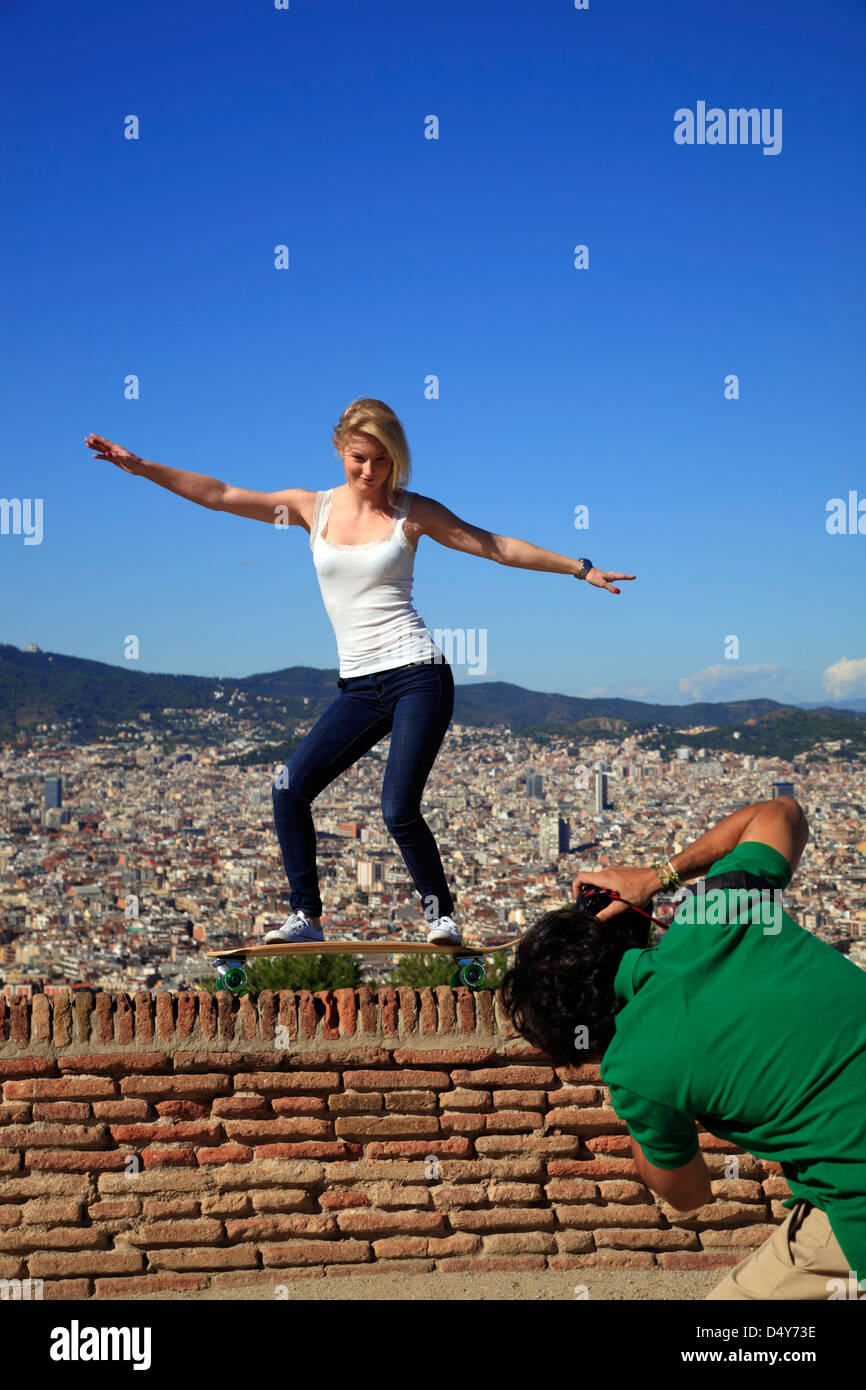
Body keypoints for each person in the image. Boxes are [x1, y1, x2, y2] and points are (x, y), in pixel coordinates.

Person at [85, 397, 635, 945]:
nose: (369, 472)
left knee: (397, 807)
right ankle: (307, 917)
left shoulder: (412, 512)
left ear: (396, 459)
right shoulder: (310, 508)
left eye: (381, 460)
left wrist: (578, 567)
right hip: (359, 686)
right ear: (339, 452)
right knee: (288, 790)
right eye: (358, 458)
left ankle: (440, 916)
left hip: (419, 674)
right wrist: (141, 467)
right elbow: (222, 496)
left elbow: (495, 546)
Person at [500, 795, 866, 1299]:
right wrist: (656, 877)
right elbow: (782, 814)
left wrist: (638, 1111)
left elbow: (691, 1195)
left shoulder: (635, 1067)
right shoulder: (716, 911)